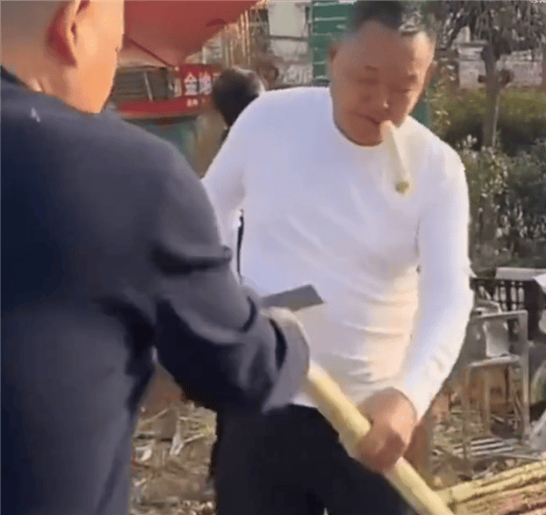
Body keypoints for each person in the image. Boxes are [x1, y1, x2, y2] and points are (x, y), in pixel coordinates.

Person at [1, 2, 310, 515]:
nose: (111, 73)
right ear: (73, 22)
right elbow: (243, 369)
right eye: (116, 46)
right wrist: (288, 338)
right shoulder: (121, 173)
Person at [202, 2, 474, 514]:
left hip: (371, 415)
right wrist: (227, 296)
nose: (382, 102)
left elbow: (449, 295)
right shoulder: (269, 121)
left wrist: (409, 397)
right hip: (265, 395)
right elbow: (206, 211)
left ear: (428, 77)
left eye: (404, 87)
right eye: (365, 79)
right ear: (332, 57)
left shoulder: (437, 169)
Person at [207, 67, 265, 482]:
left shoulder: (227, 150)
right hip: (253, 286)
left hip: (231, 287)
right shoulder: (258, 149)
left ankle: (225, 465)